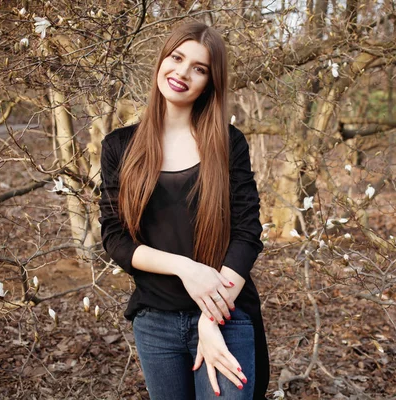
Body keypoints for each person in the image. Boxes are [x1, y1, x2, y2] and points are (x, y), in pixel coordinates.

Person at [98, 21, 269, 399]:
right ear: (162, 60)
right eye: (177, 58)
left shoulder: (227, 143)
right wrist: (186, 268)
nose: (182, 73)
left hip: (226, 316)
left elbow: (247, 234)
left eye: (199, 68)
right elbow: (115, 237)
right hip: (155, 321)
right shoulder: (119, 147)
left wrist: (212, 317)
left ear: (209, 82)